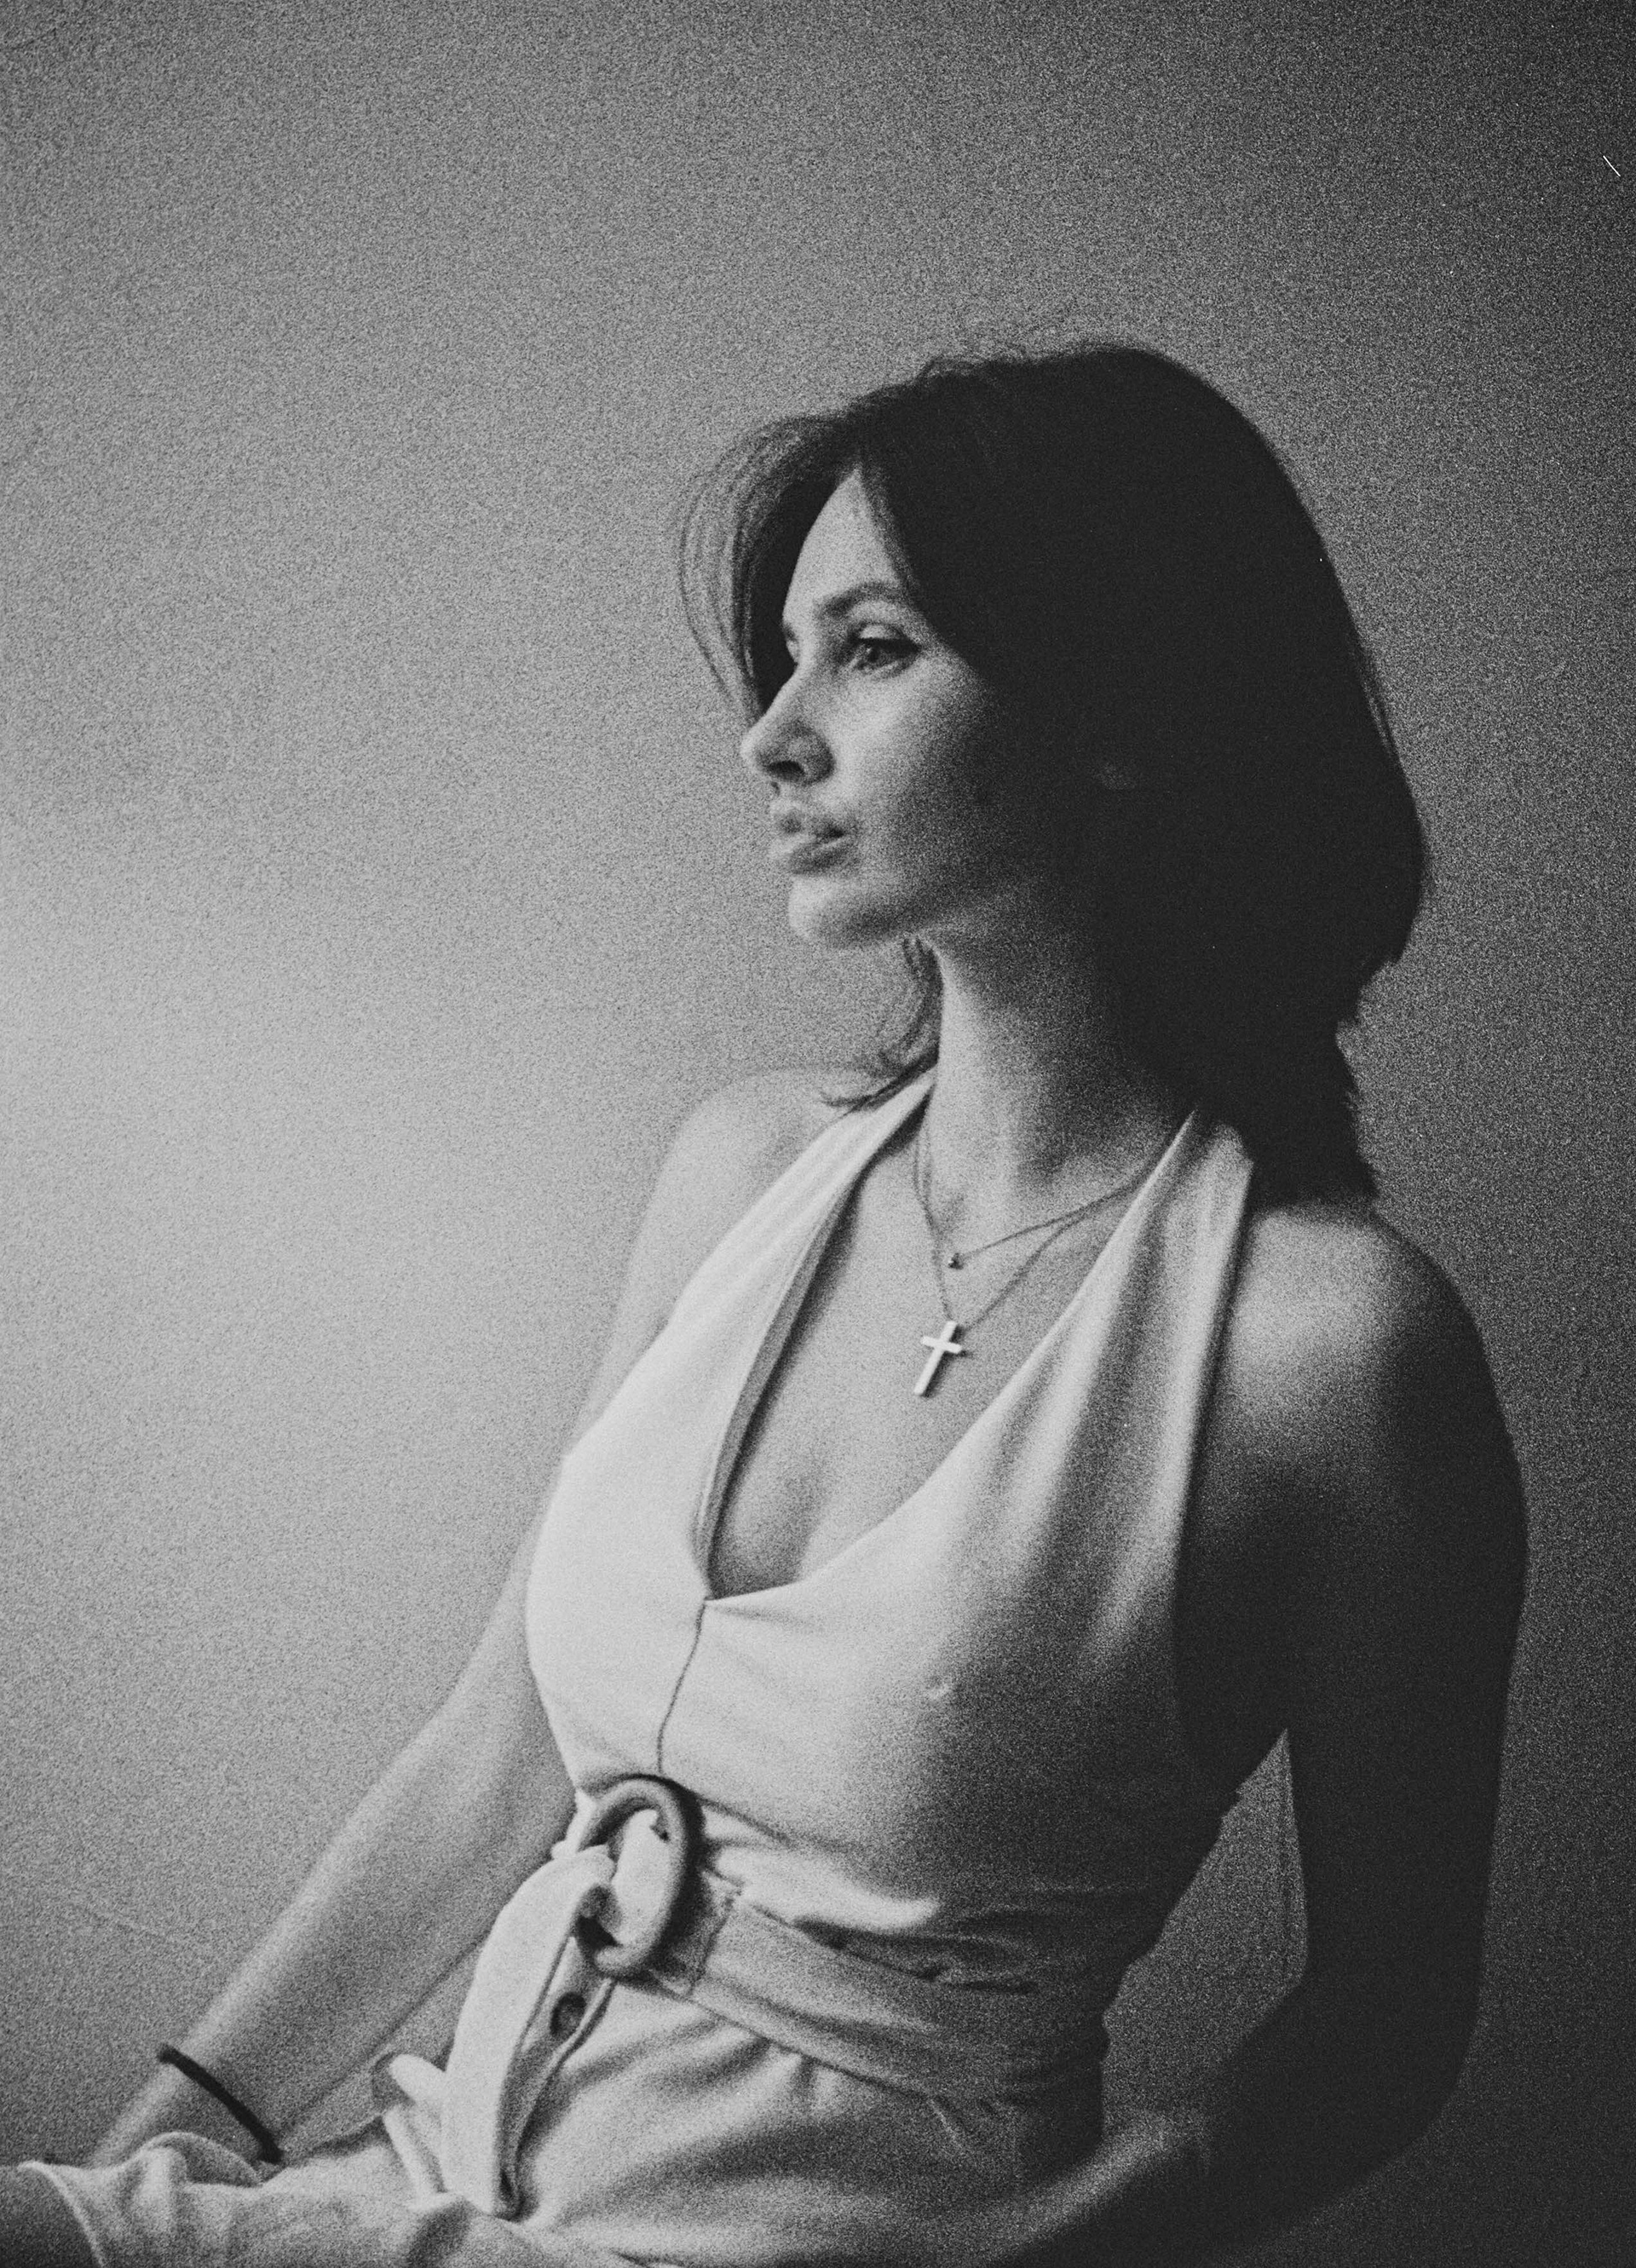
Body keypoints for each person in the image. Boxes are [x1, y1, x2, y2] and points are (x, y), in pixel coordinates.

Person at [4, 343, 1527, 2268]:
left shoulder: (1330, 1354)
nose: (772, 734)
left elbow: (1387, 2020)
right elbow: (501, 1752)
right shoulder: (741, 1169)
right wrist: (147, 2164)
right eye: (785, 656)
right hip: (418, 2185)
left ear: (1116, 711)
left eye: (872, 649)